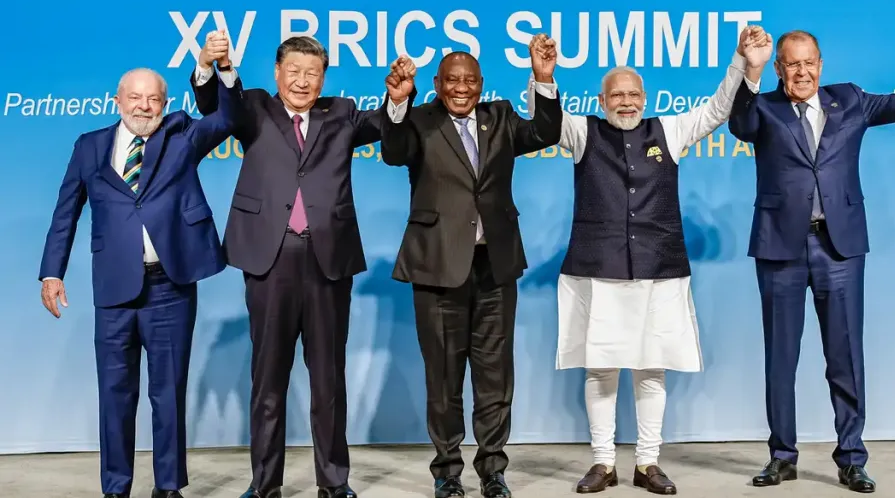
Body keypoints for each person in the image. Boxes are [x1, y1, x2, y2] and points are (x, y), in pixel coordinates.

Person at [524, 27, 772, 494]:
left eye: (634, 93)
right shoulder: (582, 133)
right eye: (616, 94)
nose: (626, 101)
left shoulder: (670, 131)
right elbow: (546, 123)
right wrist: (543, 76)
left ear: (646, 97)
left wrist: (741, 62)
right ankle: (602, 463)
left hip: (659, 270)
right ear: (601, 101)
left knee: (650, 367)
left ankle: (647, 463)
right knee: (600, 369)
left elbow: (720, 107)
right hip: (596, 271)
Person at [728, 1, 895, 494]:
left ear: (820, 65)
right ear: (780, 68)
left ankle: (851, 458)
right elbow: (739, 124)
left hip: (840, 248)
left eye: (809, 63)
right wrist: (750, 68)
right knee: (780, 358)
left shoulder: (849, 100)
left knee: (844, 356)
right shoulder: (763, 108)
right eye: (792, 64)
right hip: (780, 248)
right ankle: (782, 457)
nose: (802, 71)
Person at [38, 48, 238, 498]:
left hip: (169, 286)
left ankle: (168, 486)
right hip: (113, 289)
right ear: (118, 100)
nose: (144, 106)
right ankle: (115, 486)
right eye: (135, 97)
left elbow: (227, 118)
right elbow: (65, 212)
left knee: (167, 394)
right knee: (115, 395)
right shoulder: (89, 145)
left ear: (165, 105)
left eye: (154, 99)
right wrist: (52, 273)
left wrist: (214, 69)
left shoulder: (181, 135)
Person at [191, 35, 381, 498]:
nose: (302, 80)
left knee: (328, 381)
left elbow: (384, 128)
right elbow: (217, 105)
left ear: (323, 78)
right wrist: (210, 67)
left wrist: (398, 98)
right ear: (276, 72)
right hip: (268, 259)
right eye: (293, 70)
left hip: (327, 260)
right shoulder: (253, 106)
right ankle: (264, 485)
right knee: (268, 380)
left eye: (312, 72)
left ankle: (335, 484)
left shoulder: (341, 112)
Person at [378, 38, 563, 498]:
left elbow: (546, 132)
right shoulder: (419, 120)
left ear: (481, 85)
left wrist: (542, 78)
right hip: (437, 267)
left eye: (470, 80)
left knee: (495, 377)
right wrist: (397, 102)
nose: (462, 87)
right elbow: (394, 151)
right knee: (443, 379)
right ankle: (447, 472)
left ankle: (493, 470)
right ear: (437, 85)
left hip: (494, 267)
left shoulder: (499, 117)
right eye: (452, 80)